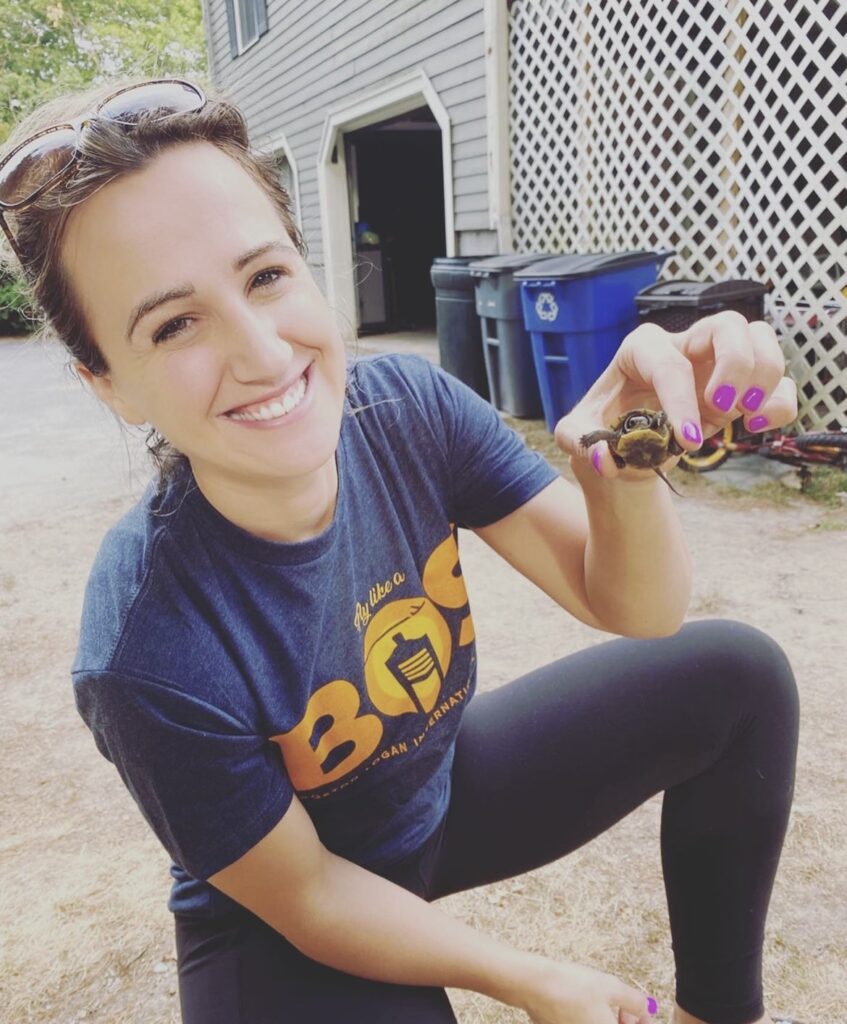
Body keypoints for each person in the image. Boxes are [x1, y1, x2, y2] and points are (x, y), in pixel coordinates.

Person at [0, 77, 800, 1024]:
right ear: (108, 384)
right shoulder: (142, 645)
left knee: (733, 677)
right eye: (173, 324)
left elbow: (636, 609)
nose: (259, 353)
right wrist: (533, 978)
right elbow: (309, 898)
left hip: (436, 795)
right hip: (286, 914)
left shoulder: (408, 413)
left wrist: (619, 473)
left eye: (264, 276)